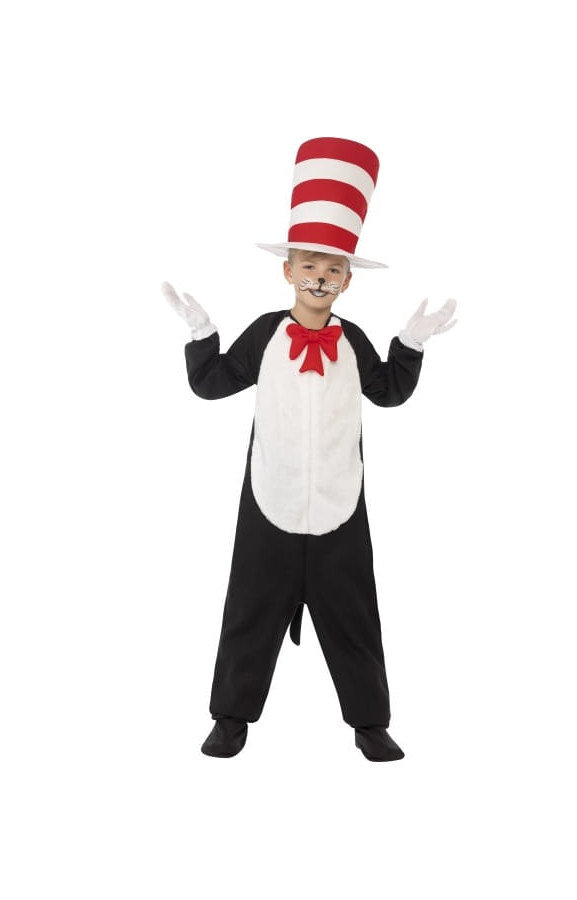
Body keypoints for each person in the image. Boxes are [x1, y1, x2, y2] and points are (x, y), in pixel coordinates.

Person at [163, 137, 456, 761]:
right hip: (269, 497)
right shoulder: (266, 334)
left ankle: (369, 722)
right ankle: (230, 718)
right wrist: (201, 333)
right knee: (249, 607)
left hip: (339, 503)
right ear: (288, 271)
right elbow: (212, 384)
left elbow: (389, 393)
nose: (319, 277)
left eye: (332, 269)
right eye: (309, 265)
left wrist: (412, 343)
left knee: (354, 614)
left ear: (347, 280)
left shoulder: (353, 341)